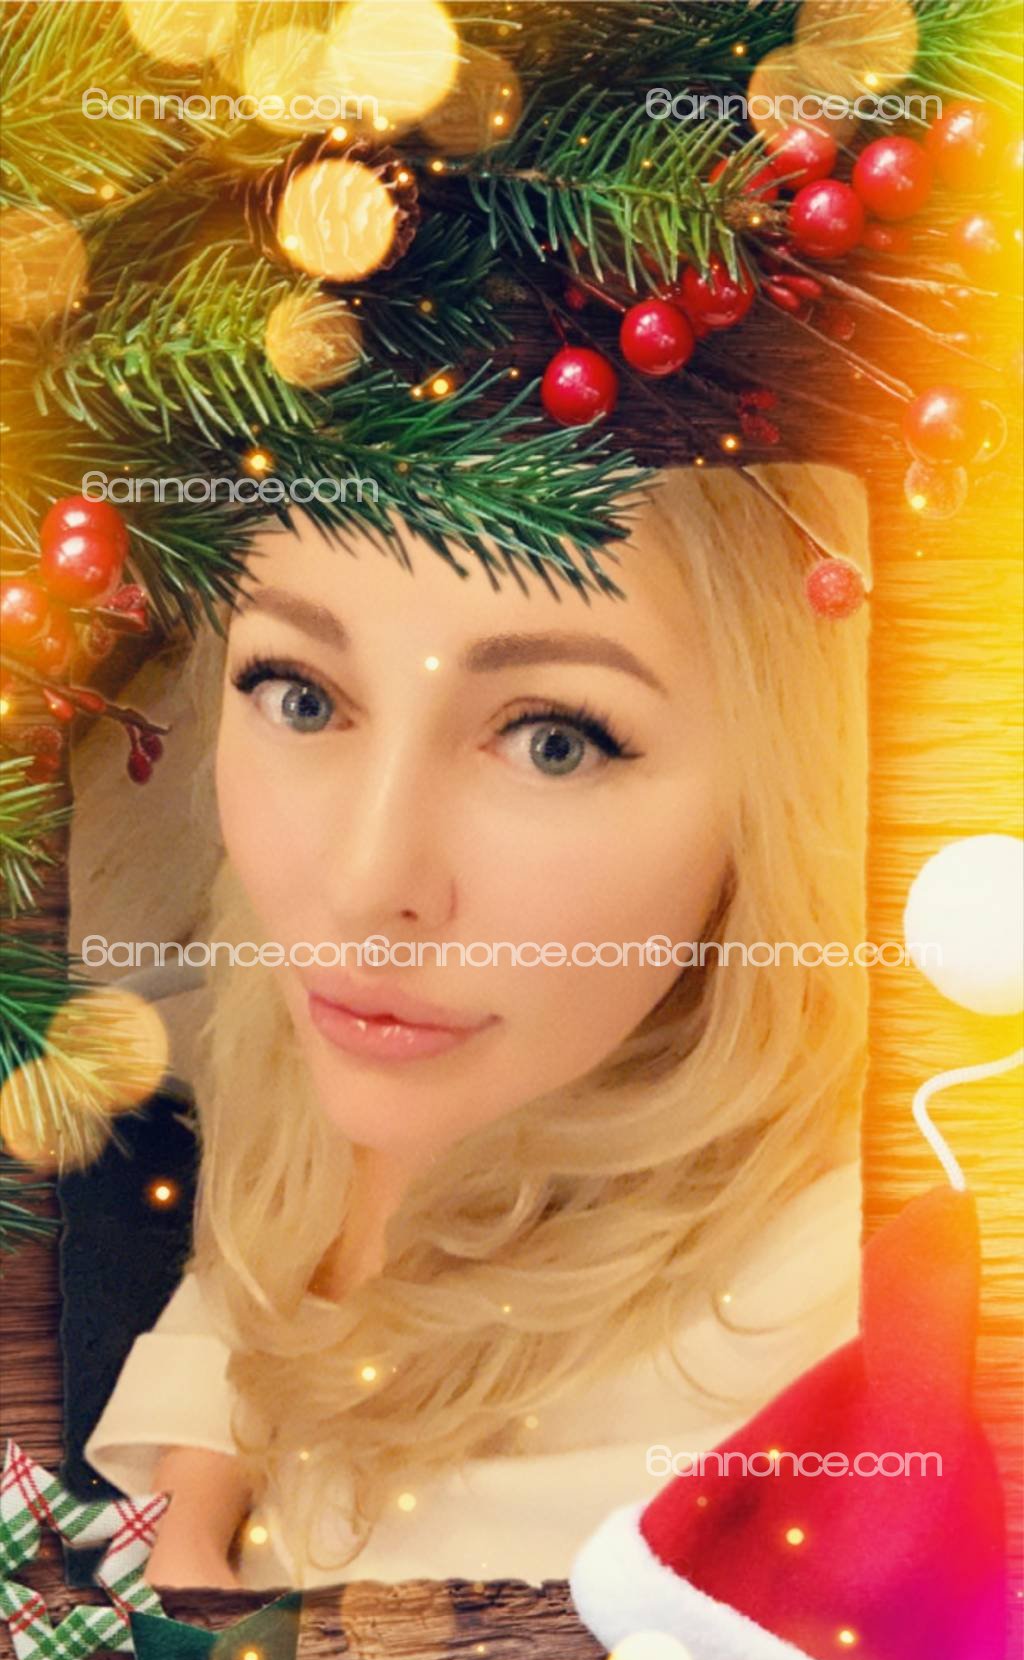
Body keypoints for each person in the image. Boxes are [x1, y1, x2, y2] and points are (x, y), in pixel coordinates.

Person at [85, 461, 871, 1590]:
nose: (362, 886)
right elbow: (256, 1289)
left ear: (781, 787)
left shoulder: (826, 1321)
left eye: (555, 740)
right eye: (301, 695)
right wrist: (191, 1516)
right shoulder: (349, 1032)